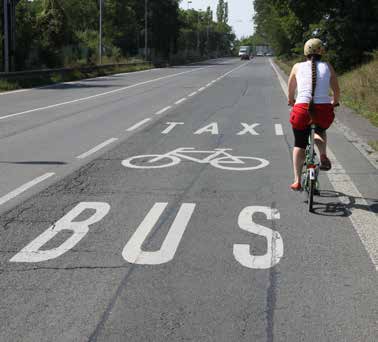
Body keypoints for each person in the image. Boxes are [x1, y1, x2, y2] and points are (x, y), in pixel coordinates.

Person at [287, 38, 340, 191]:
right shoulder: (328, 66)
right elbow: (336, 91)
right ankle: (323, 154)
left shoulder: (297, 67)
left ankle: (297, 180)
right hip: (323, 111)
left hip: (301, 110)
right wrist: (334, 102)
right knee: (320, 130)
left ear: (305, 52)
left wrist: (292, 101)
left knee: (299, 144)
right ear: (321, 52)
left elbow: (290, 90)